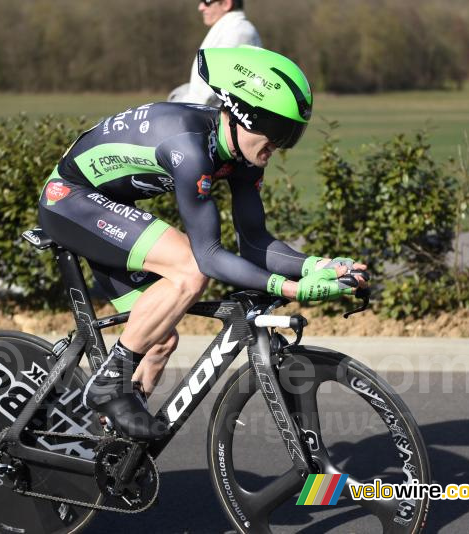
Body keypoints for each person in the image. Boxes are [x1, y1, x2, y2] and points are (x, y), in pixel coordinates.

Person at [38, 46, 368, 440]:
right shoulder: (190, 147)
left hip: (106, 204)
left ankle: (114, 449)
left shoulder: (242, 155)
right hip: (69, 200)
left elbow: (256, 243)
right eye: (278, 132)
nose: (279, 146)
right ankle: (110, 385)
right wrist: (292, 288)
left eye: (290, 136)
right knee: (190, 270)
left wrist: (317, 266)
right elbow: (208, 256)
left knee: (159, 340)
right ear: (244, 115)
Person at [168, 0, 261, 105]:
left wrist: (179, 104)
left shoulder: (238, 32)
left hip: (213, 114)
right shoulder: (230, 29)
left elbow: (211, 91)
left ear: (226, 4)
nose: (200, 7)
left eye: (206, 2)